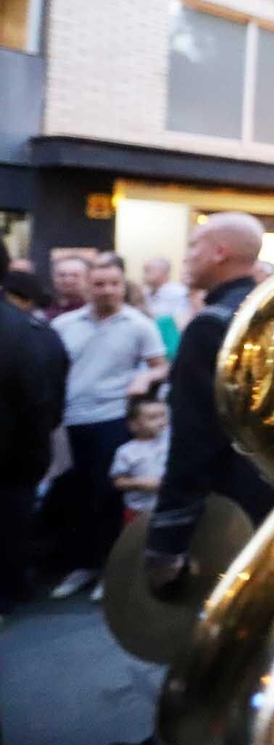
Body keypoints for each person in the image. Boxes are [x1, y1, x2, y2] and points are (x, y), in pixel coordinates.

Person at [145, 212, 274, 596]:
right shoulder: (264, 311)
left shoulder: (209, 324)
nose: (186, 257)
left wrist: (168, 537)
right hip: (266, 490)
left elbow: (193, 439)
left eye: (193, 246)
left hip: (224, 501)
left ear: (219, 252)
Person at [47, 254, 167, 600]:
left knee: (108, 498)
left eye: (113, 284)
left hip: (112, 419)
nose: (106, 290)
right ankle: (82, 566)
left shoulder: (139, 324)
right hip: (70, 420)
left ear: (123, 285)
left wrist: (146, 376)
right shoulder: (64, 325)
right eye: (99, 284)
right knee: (75, 497)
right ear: (87, 285)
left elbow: (160, 366)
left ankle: (108, 570)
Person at [0, 237, 68, 619]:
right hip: (23, 457)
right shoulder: (39, 332)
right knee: (15, 523)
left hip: (19, 455)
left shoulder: (31, 332)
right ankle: (15, 586)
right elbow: (50, 404)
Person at [110, 395, 170, 520]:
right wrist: (142, 483)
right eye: (152, 418)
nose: (161, 421)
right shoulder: (126, 452)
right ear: (134, 425)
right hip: (138, 510)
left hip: (168, 507)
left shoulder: (170, 442)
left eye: (163, 415)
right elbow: (118, 481)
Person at [142, 256, 191, 326]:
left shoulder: (179, 293)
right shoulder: (143, 294)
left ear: (163, 271)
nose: (144, 274)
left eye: (148, 270)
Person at [42, 254, 89, 320]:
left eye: (75, 275)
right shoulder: (43, 310)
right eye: (62, 275)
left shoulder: (94, 311)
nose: (68, 280)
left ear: (88, 278)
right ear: (53, 278)